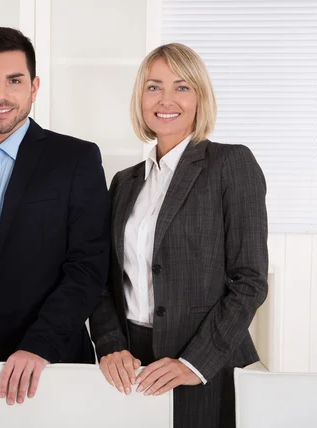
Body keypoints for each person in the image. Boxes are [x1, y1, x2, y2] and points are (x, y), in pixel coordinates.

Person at [0, 26, 109, 426]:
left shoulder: (75, 161)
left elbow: (87, 268)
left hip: (55, 374)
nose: (0, 94)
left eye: (14, 81)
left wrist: (38, 348)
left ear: (34, 87)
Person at [90, 42, 268, 428]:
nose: (165, 99)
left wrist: (194, 362)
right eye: (154, 87)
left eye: (182, 87)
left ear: (200, 97)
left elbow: (250, 280)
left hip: (207, 366)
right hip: (131, 368)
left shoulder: (231, 164)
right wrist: (110, 345)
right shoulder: (124, 183)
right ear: (141, 97)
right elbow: (101, 280)